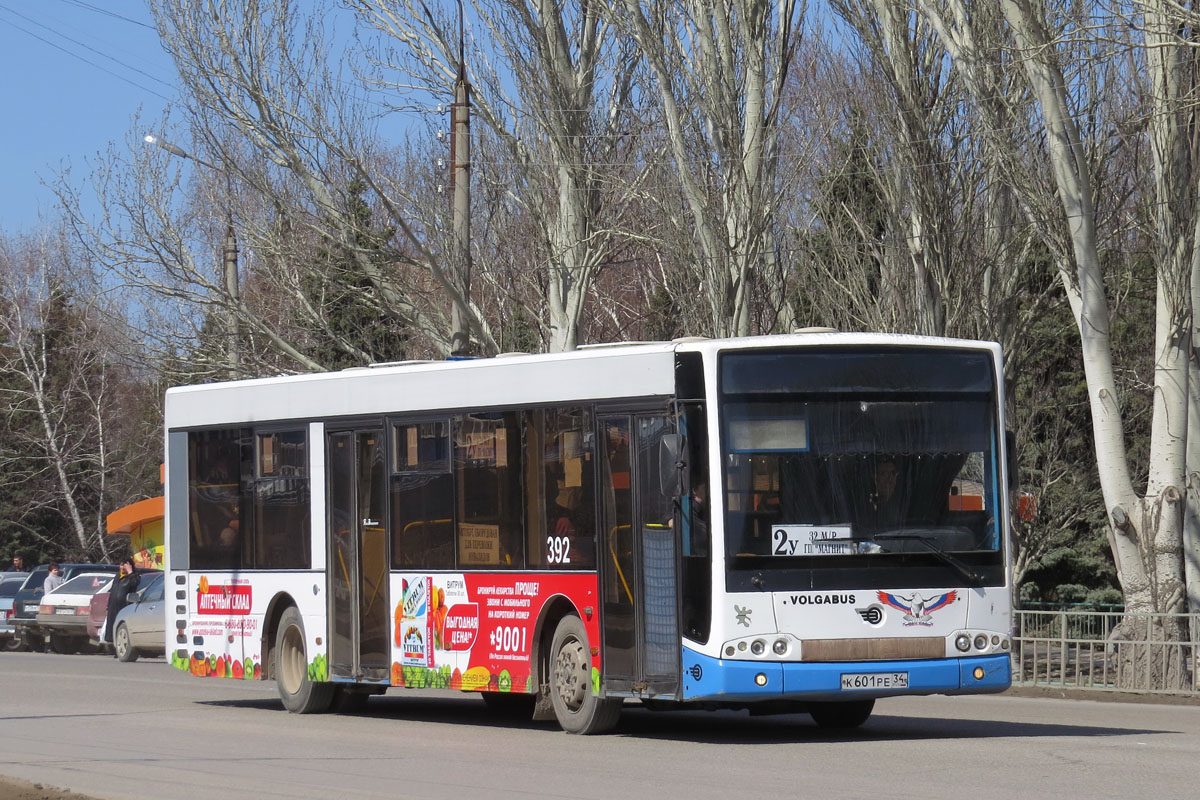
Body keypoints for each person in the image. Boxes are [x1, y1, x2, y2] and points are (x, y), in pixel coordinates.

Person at [104, 557, 141, 654]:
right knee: (112, 627)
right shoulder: (117, 577)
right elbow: (113, 591)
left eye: (125, 565)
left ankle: (122, 649)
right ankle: (114, 647)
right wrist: (108, 606)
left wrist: (130, 572)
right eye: (121, 565)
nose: (122, 568)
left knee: (123, 628)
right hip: (113, 606)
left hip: (124, 606)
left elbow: (135, 583)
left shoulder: (133, 577)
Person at [870, 458, 904, 529]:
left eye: (893, 473)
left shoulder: (904, 502)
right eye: (883, 473)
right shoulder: (866, 505)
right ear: (875, 477)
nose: (889, 478)